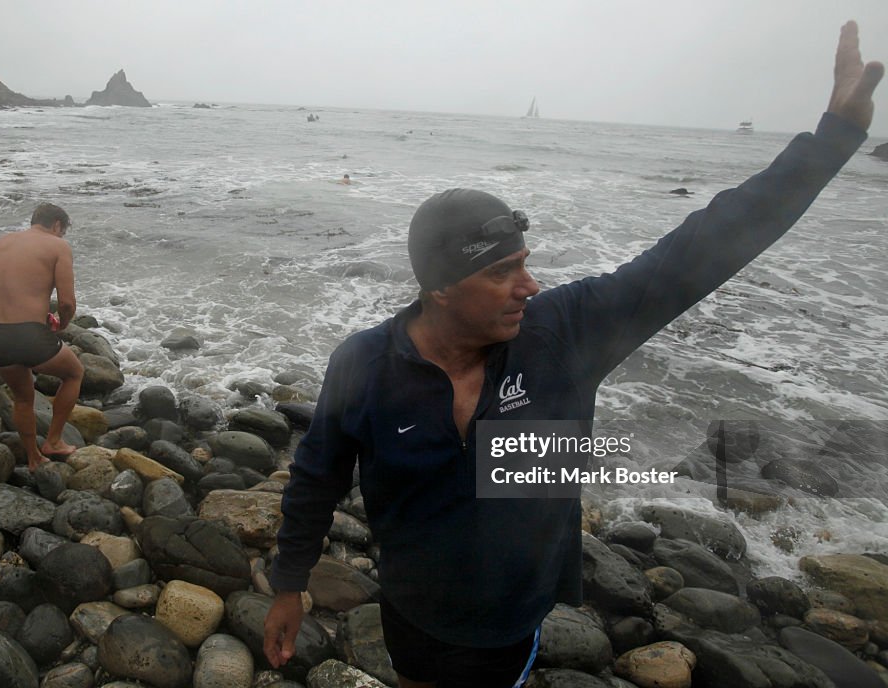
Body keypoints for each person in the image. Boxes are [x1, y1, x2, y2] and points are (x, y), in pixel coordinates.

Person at [264, 22, 882, 688]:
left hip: (515, 618)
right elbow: (318, 476)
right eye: (502, 272)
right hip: (413, 613)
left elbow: (705, 246)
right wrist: (289, 584)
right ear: (439, 288)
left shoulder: (564, 336)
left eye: (526, 265)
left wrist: (833, 140)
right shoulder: (364, 364)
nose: (528, 286)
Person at [0, 203, 85, 471]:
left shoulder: (0, 243)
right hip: (26, 334)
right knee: (74, 373)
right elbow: (67, 303)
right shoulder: (58, 246)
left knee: (23, 398)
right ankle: (54, 441)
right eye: (62, 231)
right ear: (57, 225)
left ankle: (33, 457)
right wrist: (60, 324)